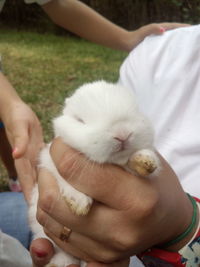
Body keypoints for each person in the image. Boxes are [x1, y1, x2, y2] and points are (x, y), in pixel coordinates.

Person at [0, 0, 190, 266]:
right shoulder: (155, 51)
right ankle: (64, 255)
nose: (121, 135)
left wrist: (185, 228)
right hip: (61, 226)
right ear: (68, 118)